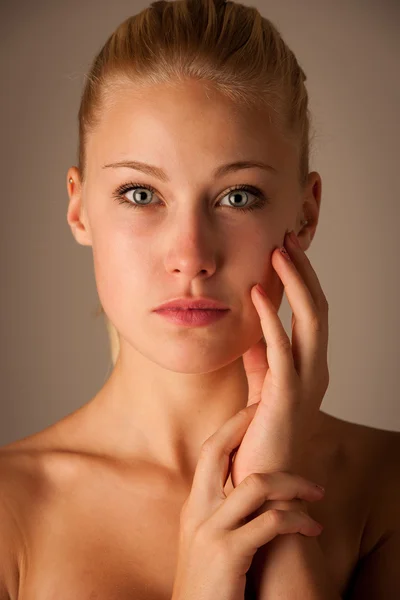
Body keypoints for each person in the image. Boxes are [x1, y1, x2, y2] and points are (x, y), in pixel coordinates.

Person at [0, 1, 399, 598]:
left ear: (306, 212)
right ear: (79, 208)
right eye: (140, 193)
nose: (191, 255)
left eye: (238, 197)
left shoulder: (388, 486)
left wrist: (270, 479)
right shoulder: (9, 510)